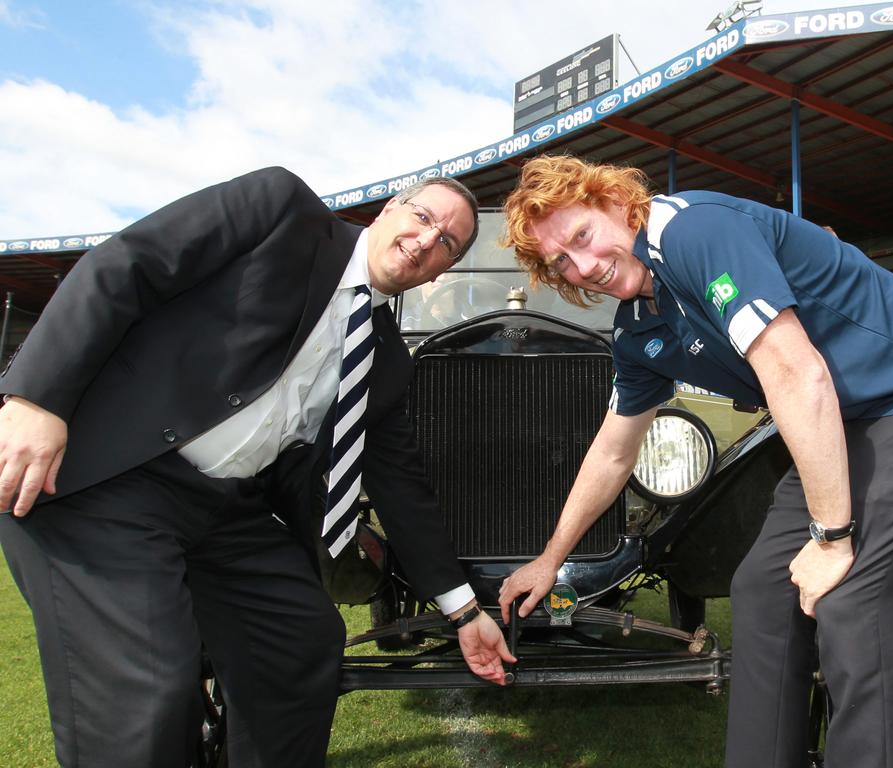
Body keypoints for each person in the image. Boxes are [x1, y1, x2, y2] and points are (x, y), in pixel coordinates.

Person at [497, 155, 893, 768]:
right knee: (761, 589)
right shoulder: (637, 328)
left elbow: (797, 373)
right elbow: (612, 449)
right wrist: (550, 560)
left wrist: (833, 537)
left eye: (582, 236)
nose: (584, 266)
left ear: (615, 200)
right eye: (562, 264)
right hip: (846, 421)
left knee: (856, 605)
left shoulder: (691, 230)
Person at [0, 167, 515, 768]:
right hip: (112, 480)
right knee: (151, 688)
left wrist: (464, 612)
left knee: (302, 639)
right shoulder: (281, 212)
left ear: (441, 271)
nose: (429, 240)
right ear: (387, 212)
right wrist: (37, 399)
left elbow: (401, 489)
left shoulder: (388, 363)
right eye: (424, 217)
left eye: (448, 243)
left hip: (224, 510)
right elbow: (131, 262)